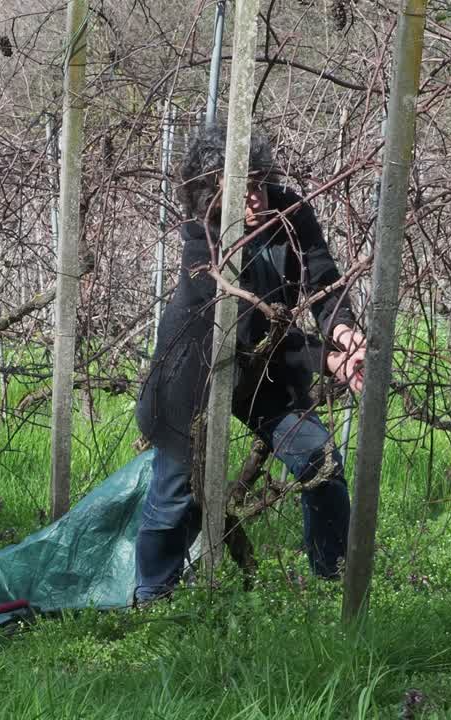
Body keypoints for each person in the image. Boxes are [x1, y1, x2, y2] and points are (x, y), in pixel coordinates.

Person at [133, 123, 367, 603]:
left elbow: (323, 279)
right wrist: (326, 361)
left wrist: (341, 330)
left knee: (320, 461)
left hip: (267, 373)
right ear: (207, 196)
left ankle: (331, 583)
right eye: (241, 190)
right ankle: (151, 601)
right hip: (194, 373)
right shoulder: (204, 240)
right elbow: (242, 330)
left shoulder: (292, 212)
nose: (256, 200)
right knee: (175, 496)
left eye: (259, 185)